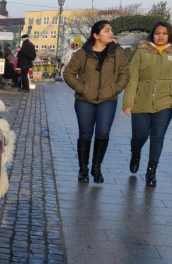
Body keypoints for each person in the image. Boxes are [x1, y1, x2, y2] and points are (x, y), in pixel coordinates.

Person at [63, 20, 130, 183]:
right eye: (107, 30)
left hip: (108, 100)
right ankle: (83, 169)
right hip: (85, 100)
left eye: (111, 30)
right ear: (96, 35)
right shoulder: (82, 53)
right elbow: (68, 73)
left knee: (103, 133)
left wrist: (115, 89)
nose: (110, 33)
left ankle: (96, 167)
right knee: (85, 134)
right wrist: (82, 88)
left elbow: (125, 74)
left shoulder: (118, 53)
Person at [122, 21, 172, 186]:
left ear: (169, 36)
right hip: (142, 99)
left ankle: (151, 171)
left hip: (166, 100)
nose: (160, 36)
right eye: (157, 33)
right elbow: (132, 79)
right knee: (140, 136)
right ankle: (135, 152)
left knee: (157, 136)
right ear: (152, 35)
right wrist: (128, 103)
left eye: (164, 33)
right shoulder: (141, 53)